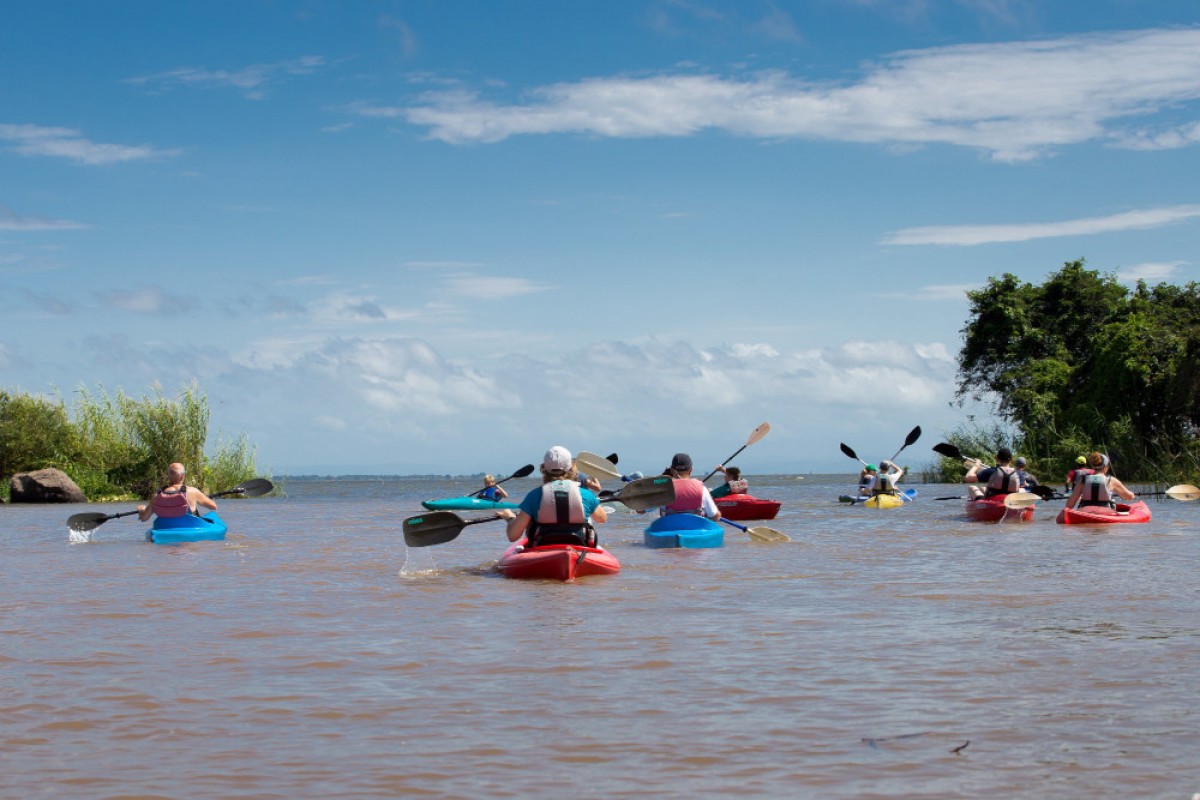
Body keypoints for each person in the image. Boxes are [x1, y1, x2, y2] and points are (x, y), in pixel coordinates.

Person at [498, 446, 607, 548]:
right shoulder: (586, 494)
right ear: (571, 467)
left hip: (543, 547)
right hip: (578, 545)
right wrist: (593, 502)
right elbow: (602, 519)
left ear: (544, 468)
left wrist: (510, 518)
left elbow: (513, 536)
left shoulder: (533, 496)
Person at [137, 462, 217, 522]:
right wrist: (204, 498)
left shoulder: (157, 495)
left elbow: (144, 518)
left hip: (165, 529)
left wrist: (141, 510)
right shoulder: (192, 491)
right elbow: (213, 507)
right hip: (188, 527)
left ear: (168, 476)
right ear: (182, 476)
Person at [659, 452, 720, 520]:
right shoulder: (702, 489)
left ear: (672, 470)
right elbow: (715, 516)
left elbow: (645, 509)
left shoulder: (664, 489)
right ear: (691, 470)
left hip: (670, 529)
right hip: (694, 529)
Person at [1065, 452, 1136, 509]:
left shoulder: (1082, 480)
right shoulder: (1111, 480)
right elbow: (1129, 497)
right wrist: (1132, 494)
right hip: (1105, 513)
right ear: (1105, 467)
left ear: (1092, 466)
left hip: (1084, 512)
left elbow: (1069, 505)